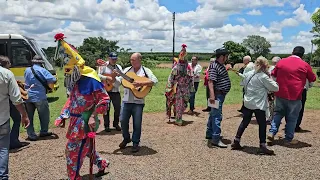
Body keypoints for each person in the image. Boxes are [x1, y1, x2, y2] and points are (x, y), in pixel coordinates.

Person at [53, 33, 110, 179]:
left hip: (86, 122)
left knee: (72, 150)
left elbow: (104, 100)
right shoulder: (75, 82)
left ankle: (74, 177)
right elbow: (71, 100)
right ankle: (102, 163)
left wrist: (92, 115)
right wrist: (63, 115)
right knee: (87, 147)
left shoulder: (92, 81)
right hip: (74, 121)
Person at [268, 46, 316, 145]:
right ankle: (288, 139)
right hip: (296, 95)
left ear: (292, 52)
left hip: (281, 93)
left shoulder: (281, 62)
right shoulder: (305, 65)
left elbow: (273, 75)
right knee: (292, 117)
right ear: (302, 55)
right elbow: (313, 78)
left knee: (278, 113)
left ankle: (272, 132)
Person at [231, 56, 279, 155]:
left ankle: (236, 140)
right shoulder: (263, 76)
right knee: (262, 124)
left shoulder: (248, 74)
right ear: (265, 66)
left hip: (248, 102)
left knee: (245, 121)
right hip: (258, 103)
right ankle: (262, 145)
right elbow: (275, 88)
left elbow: (243, 84)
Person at [119, 52, 158, 153]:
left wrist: (141, 83)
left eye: (134, 60)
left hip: (138, 102)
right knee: (122, 120)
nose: (131, 62)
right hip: (126, 100)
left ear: (139, 60)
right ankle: (126, 138)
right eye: (131, 60)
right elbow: (119, 80)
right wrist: (115, 75)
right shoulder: (126, 70)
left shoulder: (146, 70)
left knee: (137, 123)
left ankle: (135, 143)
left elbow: (155, 81)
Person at [0, 55, 30, 179]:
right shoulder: (6, 74)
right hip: (2, 119)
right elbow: (17, 99)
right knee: (2, 150)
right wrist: (24, 114)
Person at [24, 55, 57, 141]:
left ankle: (31, 134)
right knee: (44, 115)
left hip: (27, 96)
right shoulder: (42, 70)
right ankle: (43, 131)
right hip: (39, 96)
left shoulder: (27, 70)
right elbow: (52, 79)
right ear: (41, 63)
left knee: (29, 116)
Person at [206, 47, 231, 148]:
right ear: (222, 56)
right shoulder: (214, 66)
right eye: (226, 56)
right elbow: (210, 81)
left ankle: (209, 133)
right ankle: (215, 139)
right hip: (217, 95)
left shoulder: (220, 65)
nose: (227, 57)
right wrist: (212, 95)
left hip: (219, 94)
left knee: (213, 114)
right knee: (217, 116)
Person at [165, 44, 194, 125]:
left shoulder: (188, 68)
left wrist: (191, 86)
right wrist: (170, 86)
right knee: (179, 102)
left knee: (184, 103)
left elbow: (191, 77)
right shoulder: (175, 68)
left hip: (185, 88)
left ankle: (178, 114)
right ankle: (179, 118)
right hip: (177, 88)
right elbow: (171, 77)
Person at [97, 52, 123, 132]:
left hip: (115, 91)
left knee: (118, 108)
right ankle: (106, 125)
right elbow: (98, 75)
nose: (114, 60)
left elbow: (121, 78)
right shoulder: (103, 66)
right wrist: (107, 77)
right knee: (106, 109)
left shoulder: (119, 67)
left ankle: (116, 124)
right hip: (105, 91)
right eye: (112, 59)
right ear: (109, 58)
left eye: (115, 59)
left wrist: (115, 79)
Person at [266, 56, 281, 124]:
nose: (274, 64)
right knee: (270, 103)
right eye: (273, 63)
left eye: (275, 63)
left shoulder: (281, 69)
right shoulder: (270, 68)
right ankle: (271, 117)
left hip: (278, 88)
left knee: (277, 104)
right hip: (270, 88)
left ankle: (275, 117)